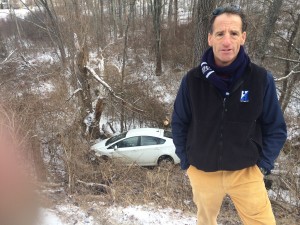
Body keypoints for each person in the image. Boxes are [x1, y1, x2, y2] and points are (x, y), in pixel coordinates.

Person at [171, 5, 287, 225]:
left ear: (242, 37)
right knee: (205, 222)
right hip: (202, 171)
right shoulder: (192, 80)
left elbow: (276, 128)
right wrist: (187, 163)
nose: (226, 41)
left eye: (233, 33)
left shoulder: (261, 79)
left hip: (246, 172)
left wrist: (262, 166)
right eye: (220, 33)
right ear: (210, 38)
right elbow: (179, 123)